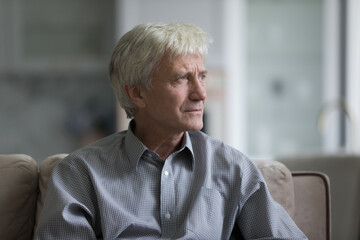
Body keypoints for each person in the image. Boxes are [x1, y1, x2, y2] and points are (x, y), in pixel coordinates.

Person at [34, 22, 307, 240]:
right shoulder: (80, 174)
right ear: (138, 93)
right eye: (181, 78)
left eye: (201, 76)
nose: (201, 94)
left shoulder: (232, 167)